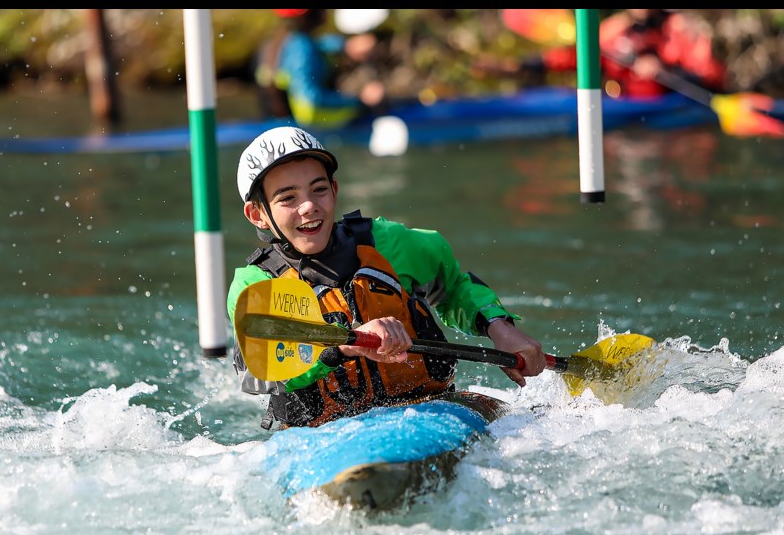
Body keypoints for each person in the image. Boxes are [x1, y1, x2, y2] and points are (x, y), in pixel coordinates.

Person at [227, 126, 547, 430]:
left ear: (334, 190)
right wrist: (346, 346)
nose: (309, 206)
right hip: (320, 434)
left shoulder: (387, 242)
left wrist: (498, 327)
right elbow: (266, 371)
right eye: (288, 198)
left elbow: (454, 286)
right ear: (258, 214)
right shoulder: (254, 288)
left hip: (429, 407)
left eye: (319, 189)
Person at [476, 9, 727, 99]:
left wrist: (664, 70)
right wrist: (522, 66)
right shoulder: (613, 31)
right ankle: (519, 69)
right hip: (624, 105)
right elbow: (575, 58)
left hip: (669, 109)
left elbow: (710, 78)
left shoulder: (677, 29)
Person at [253, 9, 386, 129]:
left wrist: (346, 46)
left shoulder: (277, 43)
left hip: (280, 124)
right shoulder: (302, 47)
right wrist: (359, 102)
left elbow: (318, 46)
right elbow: (310, 101)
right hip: (309, 127)